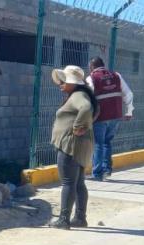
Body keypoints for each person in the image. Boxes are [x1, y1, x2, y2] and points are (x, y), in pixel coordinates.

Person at [49, 65, 99, 229]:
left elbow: (86, 108)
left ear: (74, 82)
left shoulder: (78, 95)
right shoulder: (81, 94)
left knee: (68, 182)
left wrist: (78, 127)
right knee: (78, 183)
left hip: (70, 145)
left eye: (64, 80)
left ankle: (64, 219)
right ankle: (80, 218)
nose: (60, 83)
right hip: (80, 145)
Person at [85, 57, 134, 181]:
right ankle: (107, 170)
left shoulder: (92, 78)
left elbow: (87, 97)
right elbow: (128, 93)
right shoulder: (116, 76)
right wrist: (129, 111)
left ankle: (97, 173)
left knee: (98, 144)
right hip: (115, 115)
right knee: (107, 142)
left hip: (100, 116)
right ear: (103, 65)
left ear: (91, 67)